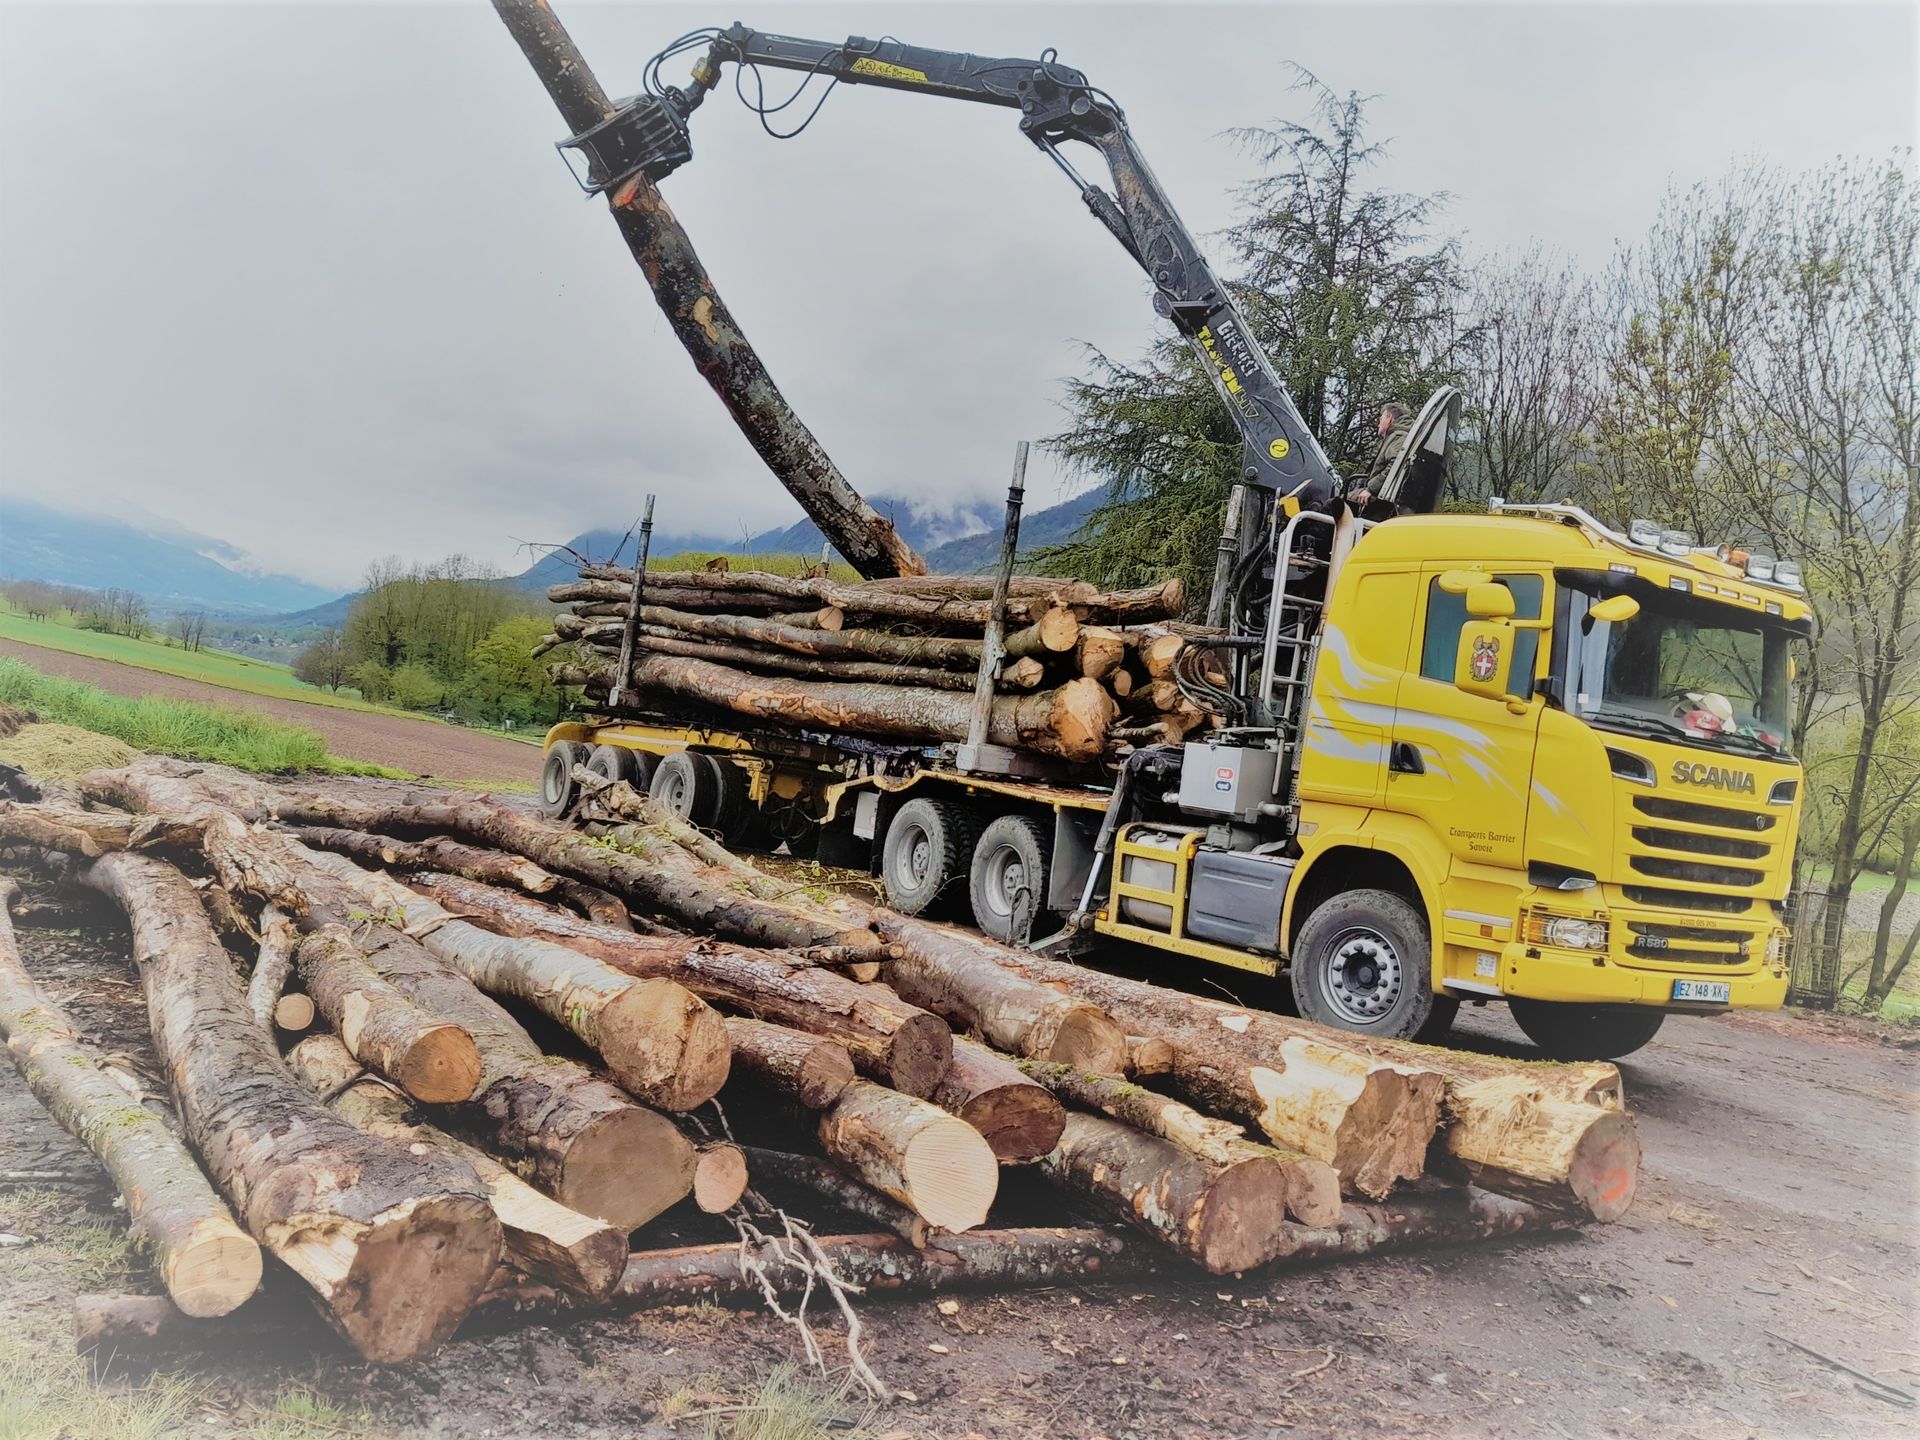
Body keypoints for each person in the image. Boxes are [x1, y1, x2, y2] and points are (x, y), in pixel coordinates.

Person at [1345, 402, 1413, 519]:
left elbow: (1395, 465)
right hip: (1379, 495)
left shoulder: (1398, 437)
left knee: (1333, 504)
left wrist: (1370, 489)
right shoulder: (1398, 436)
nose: (1378, 424)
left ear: (1389, 418)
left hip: (1379, 498)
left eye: (1381, 419)